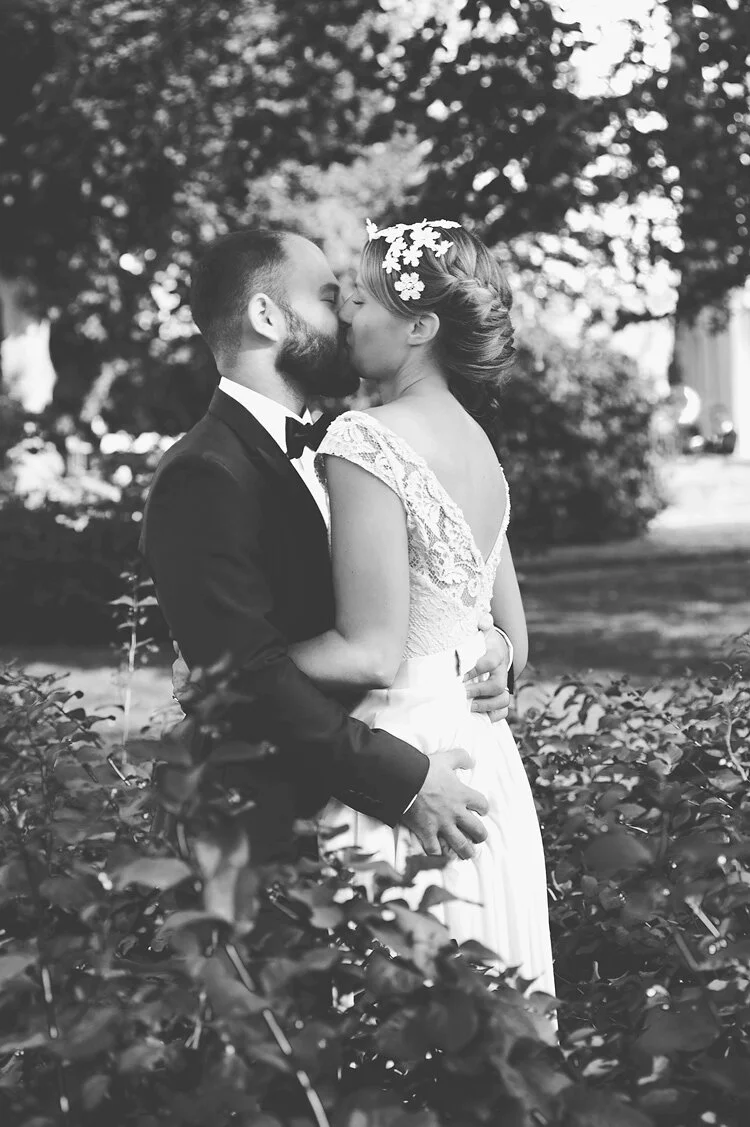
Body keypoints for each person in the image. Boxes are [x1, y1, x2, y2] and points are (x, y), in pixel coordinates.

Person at [140, 229, 513, 867]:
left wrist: (488, 648)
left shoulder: (360, 444)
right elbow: (251, 676)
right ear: (267, 317)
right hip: (272, 822)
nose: (346, 316)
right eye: (329, 298)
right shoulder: (204, 473)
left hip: (393, 783)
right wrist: (405, 784)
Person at [285, 218, 554, 995]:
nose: (345, 313)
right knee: (489, 1007)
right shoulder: (477, 444)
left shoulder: (368, 437)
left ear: (419, 327)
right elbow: (515, 637)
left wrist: (229, 663)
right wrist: (494, 652)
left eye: (363, 299)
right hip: (484, 758)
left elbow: (370, 651)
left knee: (398, 1009)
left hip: (407, 763)